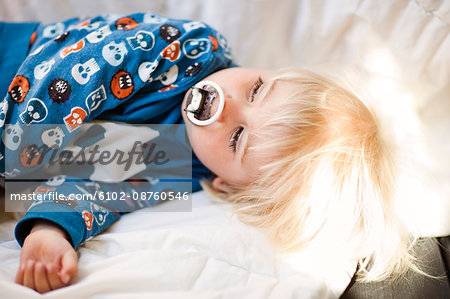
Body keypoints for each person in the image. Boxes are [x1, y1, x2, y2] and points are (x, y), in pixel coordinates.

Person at [1, 13, 416, 293]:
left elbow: (94, 189)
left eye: (237, 138)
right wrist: (18, 162)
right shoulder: (192, 50)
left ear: (225, 182)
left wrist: (51, 232)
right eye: (256, 89)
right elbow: (81, 69)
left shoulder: (176, 166)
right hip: (20, 68)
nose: (227, 104)